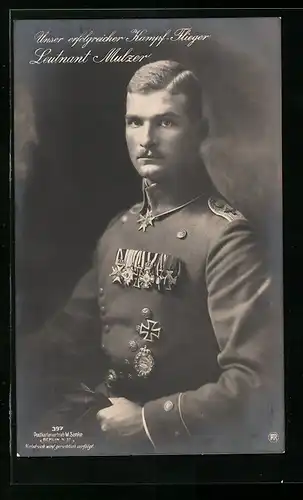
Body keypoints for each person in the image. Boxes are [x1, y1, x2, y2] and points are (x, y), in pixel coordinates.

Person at [17, 60, 280, 455]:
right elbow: (66, 336)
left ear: (200, 132)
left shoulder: (226, 238)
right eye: (134, 122)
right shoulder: (119, 228)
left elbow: (257, 381)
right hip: (105, 416)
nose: (146, 139)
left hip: (182, 445)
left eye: (166, 122)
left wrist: (147, 420)